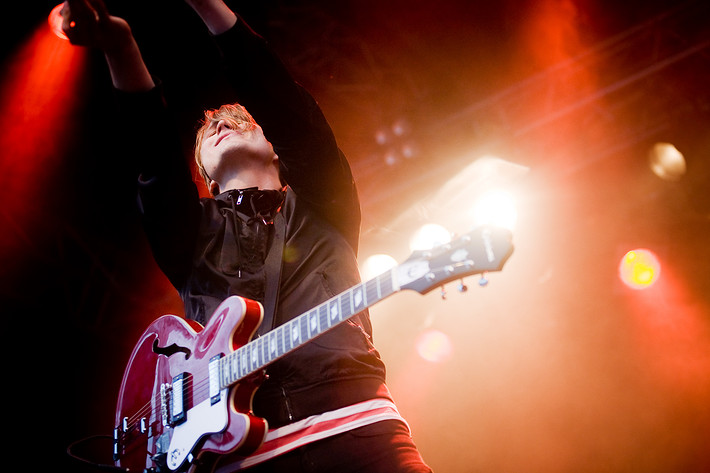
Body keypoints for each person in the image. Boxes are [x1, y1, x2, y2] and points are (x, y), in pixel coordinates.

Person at [61, 0, 433, 471]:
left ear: (278, 152)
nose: (219, 125)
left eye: (241, 121)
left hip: (356, 425)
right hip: (239, 452)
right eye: (210, 130)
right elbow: (152, 158)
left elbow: (283, 102)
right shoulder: (191, 231)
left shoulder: (325, 201)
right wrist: (120, 45)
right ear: (207, 178)